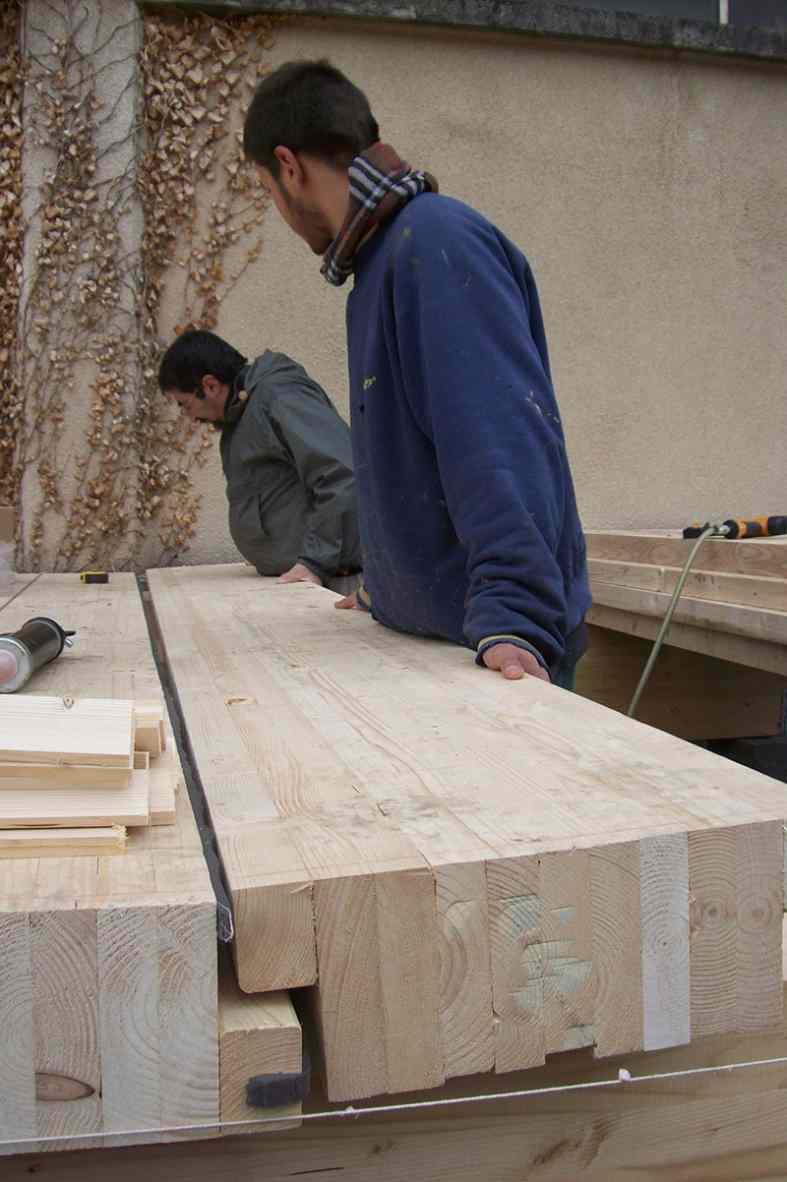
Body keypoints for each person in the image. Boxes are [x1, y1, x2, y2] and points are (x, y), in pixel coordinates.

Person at [242, 62, 591, 686]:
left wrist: (517, 619)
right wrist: (388, 585)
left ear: (288, 167)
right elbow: (413, 457)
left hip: (491, 657)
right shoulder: (379, 268)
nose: (281, 212)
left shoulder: (434, 244)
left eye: (269, 191)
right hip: (437, 646)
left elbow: (500, 444)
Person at [158, 329, 361, 590]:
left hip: (330, 585)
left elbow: (341, 473)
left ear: (210, 385)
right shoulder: (240, 416)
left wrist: (315, 563)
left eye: (185, 404)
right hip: (299, 583)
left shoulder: (279, 397)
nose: (189, 416)